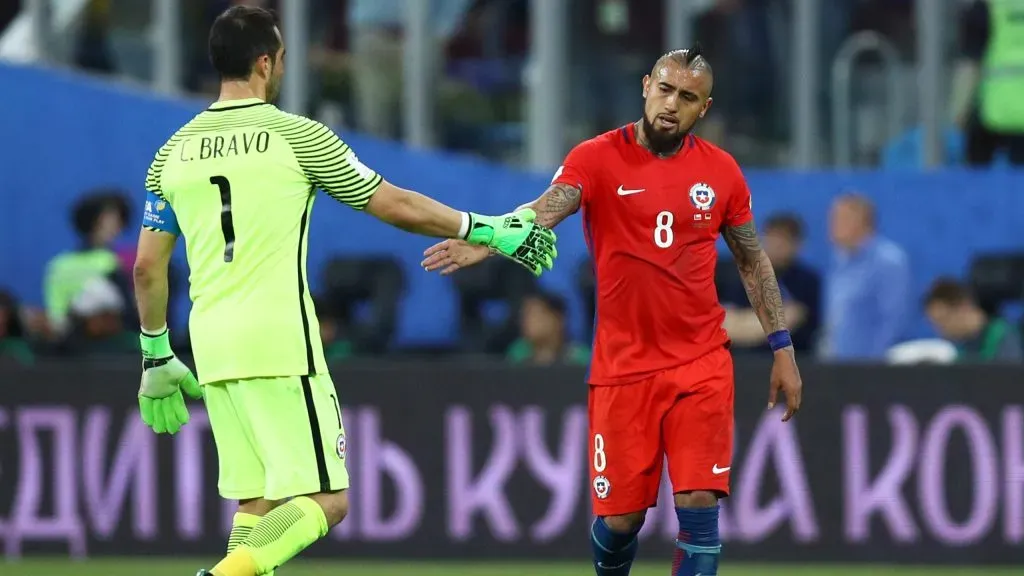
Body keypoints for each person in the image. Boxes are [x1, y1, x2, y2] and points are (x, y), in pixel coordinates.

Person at [131, 7, 557, 576]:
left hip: (209, 342)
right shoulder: (296, 136)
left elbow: (145, 268)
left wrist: (156, 352)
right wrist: (482, 226)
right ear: (266, 62)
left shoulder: (173, 152)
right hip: (279, 338)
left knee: (255, 501)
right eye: (280, 56)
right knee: (328, 500)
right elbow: (395, 204)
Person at [422, 45, 802, 576]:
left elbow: (751, 260)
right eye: (665, 89)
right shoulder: (597, 157)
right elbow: (545, 209)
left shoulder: (722, 172)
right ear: (646, 85)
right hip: (624, 369)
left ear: (703, 109)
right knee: (622, 519)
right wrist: (486, 239)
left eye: (687, 97)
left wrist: (782, 346)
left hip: (701, 363)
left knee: (698, 502)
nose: (672, 104)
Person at [822, 193, 910, 361]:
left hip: (870, 369)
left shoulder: (889, 262)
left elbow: (893, 321)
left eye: (840, 219)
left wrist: (873, 366)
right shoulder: (839, 262)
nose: (832, 225)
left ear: (863, 222)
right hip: (838, 366)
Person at [924, 277, 1023, 363]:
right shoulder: (958, 350)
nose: (941, 330)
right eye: (935, 324)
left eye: (943, 320)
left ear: (964, 307)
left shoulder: (1004, 336)